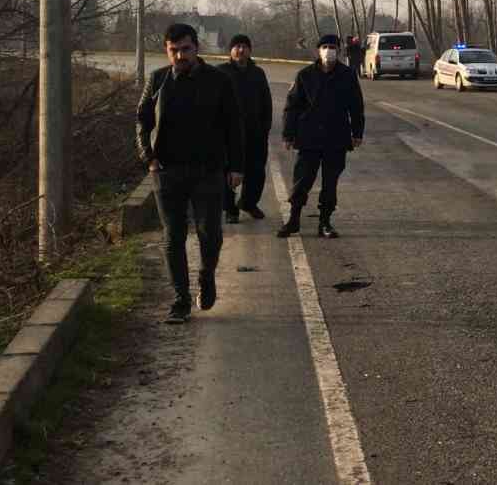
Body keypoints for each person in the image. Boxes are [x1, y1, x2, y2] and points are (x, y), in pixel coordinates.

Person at [137, 23, 244, 323]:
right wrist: (148, 157)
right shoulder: (158, 80)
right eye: (174, 50)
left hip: (208, 171)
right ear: (167, 51)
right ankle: (180, 299)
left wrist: (236, 167)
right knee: (173, 237)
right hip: (167, 171)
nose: (180, 56)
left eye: (185, 49)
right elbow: (142, 121)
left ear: (196, 48)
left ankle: (206, 275)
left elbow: (234, 127)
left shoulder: (218, 81)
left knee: (210, 234)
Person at [279, 34, 365, 239]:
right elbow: (292, 107)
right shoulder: (305, 75)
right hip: (308, 137)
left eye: (333, 47)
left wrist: (357, 132)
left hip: (336, 137)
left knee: (330, 182)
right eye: (325, 47)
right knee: (302, 180)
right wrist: (288, 134)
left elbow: (356, 106)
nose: (329, 51)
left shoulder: (347, 75)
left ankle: (325, 222)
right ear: (318, 50)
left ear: (339, 51)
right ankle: (293, 219)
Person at [218, 34, 273, 223]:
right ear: (230, 50)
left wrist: (265, 128)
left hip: (255, 133)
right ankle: (230, 209)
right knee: (227, 172)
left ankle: (248, 203)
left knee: (256, 171)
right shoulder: (220, 72)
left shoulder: (258, 73)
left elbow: (266, 102)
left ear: (250, 50)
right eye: (237, 46)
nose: (240, 50)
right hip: (227, 134)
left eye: (244, 46)